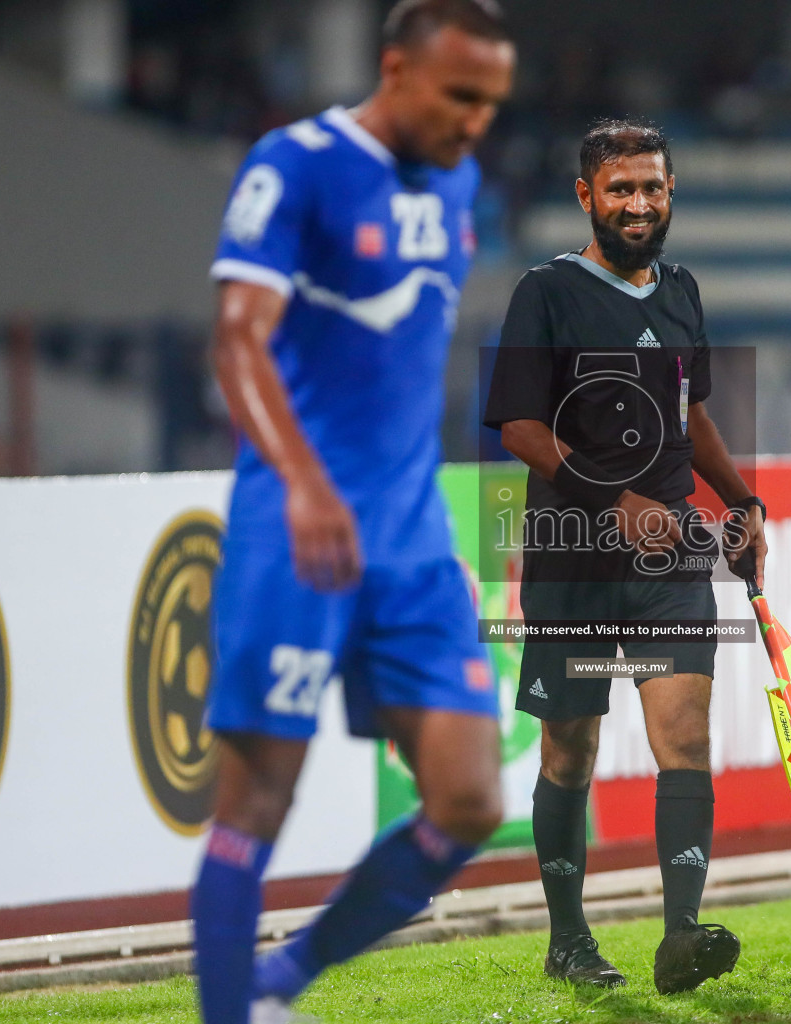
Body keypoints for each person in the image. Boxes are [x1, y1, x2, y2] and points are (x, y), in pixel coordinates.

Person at [192, 3, 514, 1023]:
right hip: (300, 529)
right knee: (254, 804)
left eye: (492, 104)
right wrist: (301, 481)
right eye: (461, 96)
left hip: (411, 541)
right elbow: (238, 341)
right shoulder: (294, 166)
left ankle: (280, 981)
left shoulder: (457, 182)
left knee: (469, 801)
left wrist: (427, 525)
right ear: (395, 69)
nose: (476, 123)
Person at [483, 119, 767, 994]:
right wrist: (615, 503)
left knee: (684, 733)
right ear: (586, 198)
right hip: (575, 559)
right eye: (620, 189)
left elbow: (691, 414)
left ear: (671, 193)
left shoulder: (681, 291)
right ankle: (568, 940)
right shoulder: (546, 292)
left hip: (670, 556)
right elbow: (519, 426)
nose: (638, 205)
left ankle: (682, 933)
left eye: (652, 187)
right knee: (570, 751)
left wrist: (740, 499)